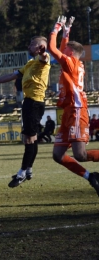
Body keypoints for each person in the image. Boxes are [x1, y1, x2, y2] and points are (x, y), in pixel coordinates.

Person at [0, 36, 51, 188]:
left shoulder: (42, 60)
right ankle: (29, 170)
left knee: (29, 139)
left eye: (32, 44)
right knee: (31, 137)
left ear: (39, 47)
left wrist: (43, 53)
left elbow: (44, 58)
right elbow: (12, 76)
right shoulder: (30, 63)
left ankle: (22, 173)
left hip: (34, 103)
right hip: (30, 103)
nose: (29, 45)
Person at [48, 16, 99, 196]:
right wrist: (67, 31)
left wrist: (57, 27)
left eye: (66, 50)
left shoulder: (70, 63)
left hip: (77, 111)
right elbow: (61, 48)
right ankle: (91, 177)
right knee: (58, 155)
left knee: (80, 155)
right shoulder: (72, 63)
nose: (64, 51)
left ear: (70, 53)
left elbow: (52, 49)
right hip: (69, 112)